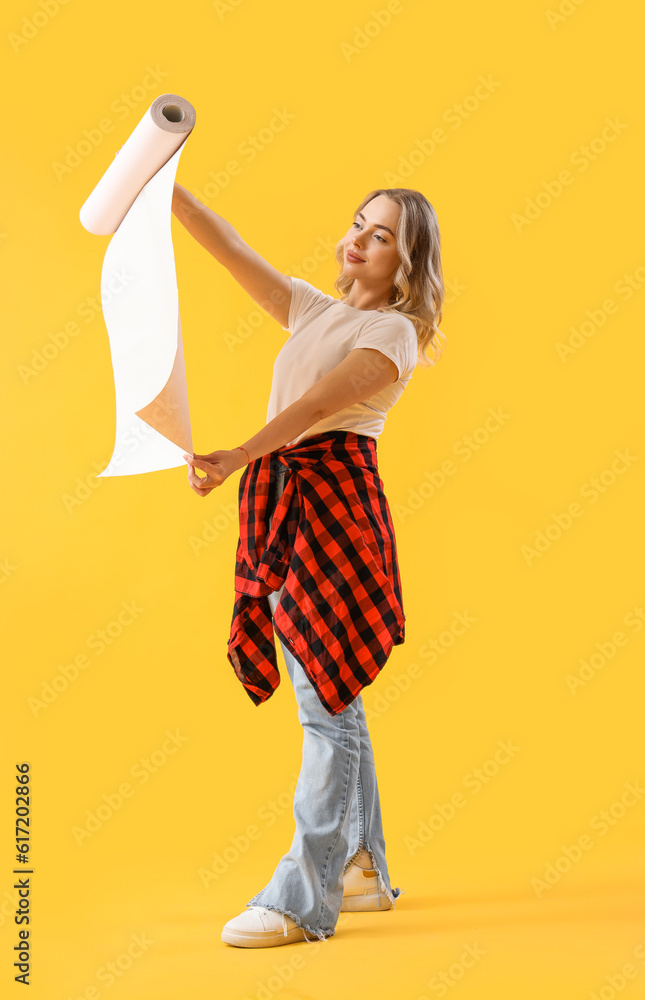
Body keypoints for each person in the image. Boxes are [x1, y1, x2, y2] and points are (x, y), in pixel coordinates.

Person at [171, 184, 446, 947]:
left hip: (335, 513)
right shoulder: (312, 308)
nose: (359, 240)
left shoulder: (393, 332)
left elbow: (322, 405)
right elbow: (229, 249)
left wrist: (240, 454)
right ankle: (360, 867)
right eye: (358, 224)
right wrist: (166, 182)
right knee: (331, 693)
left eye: (382, 236)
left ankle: (301, 896)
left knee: (322, 705)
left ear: (405, 262)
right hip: (288, 506)